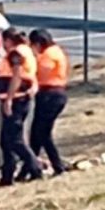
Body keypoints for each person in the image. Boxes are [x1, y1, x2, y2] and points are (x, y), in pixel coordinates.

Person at [0, 27, 43, 187]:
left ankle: (35, 168)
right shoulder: (26, 51)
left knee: (14, 140)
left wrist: (8, 99)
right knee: (6, 140)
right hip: (20, 99)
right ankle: (7, 176)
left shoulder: (15, 54)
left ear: (8, 40)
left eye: (4, 42)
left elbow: (17, 76)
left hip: (16, 100)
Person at [22, 28, 70, 178]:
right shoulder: (55, 51)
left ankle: (58, 165)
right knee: (36, 135)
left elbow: (38, 71)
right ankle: (29, 169)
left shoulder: (49, 55)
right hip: (49, 94)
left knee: (43, 133)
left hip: (51, 95)